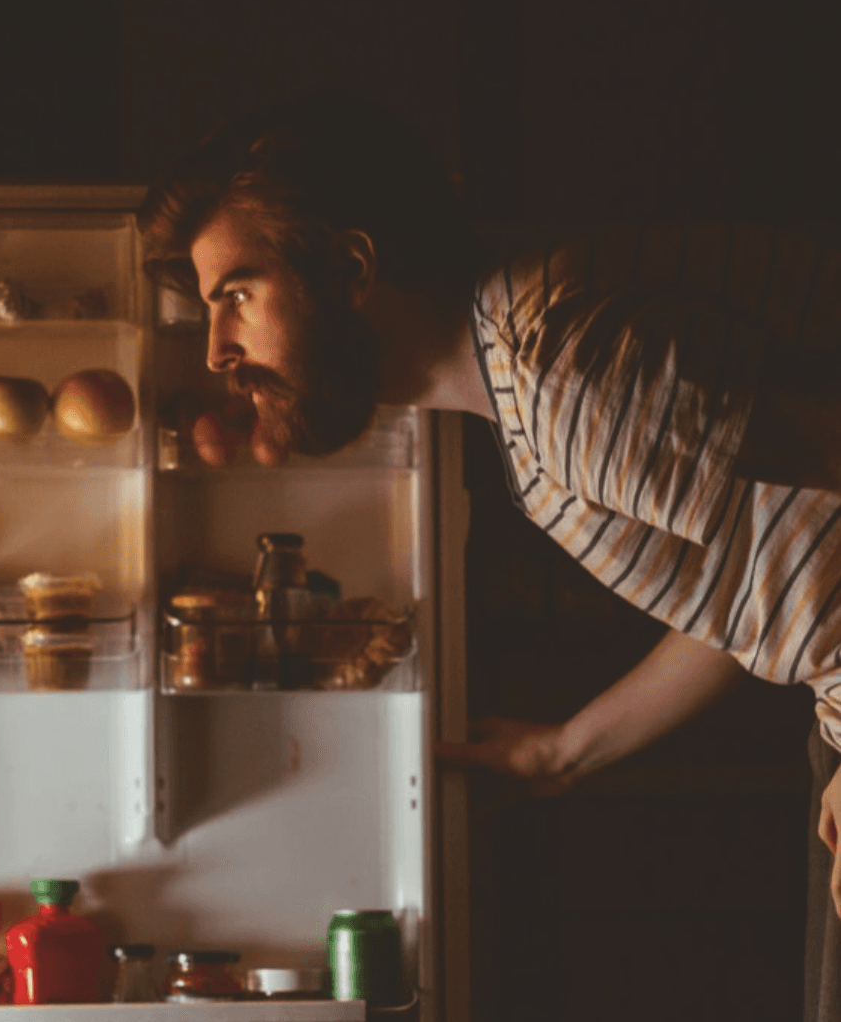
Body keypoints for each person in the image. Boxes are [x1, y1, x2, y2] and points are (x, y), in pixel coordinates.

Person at [137, 90, 841, 1018]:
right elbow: (762, 575)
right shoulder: (529, 384)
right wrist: (563, 752)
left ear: (350, 268)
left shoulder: (561, 372)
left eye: (235, 294)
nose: (217, 350)